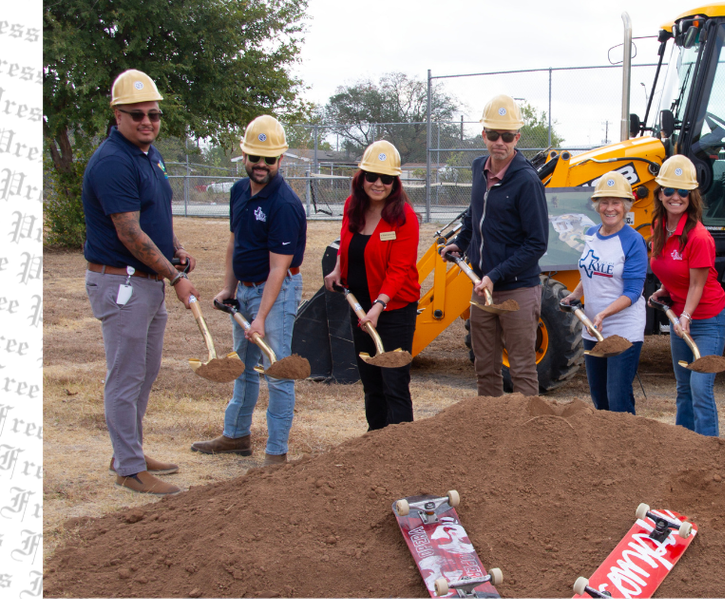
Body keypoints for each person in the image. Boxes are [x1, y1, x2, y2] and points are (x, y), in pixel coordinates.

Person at [82, 69, 199, 495]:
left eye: (153, 114)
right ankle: (129, 469)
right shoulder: (113, 161)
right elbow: (129, 232)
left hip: (146, 282)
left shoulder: (150, 155)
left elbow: (154, 216)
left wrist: (176, 248)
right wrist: (176, 278)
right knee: (125, 377)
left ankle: (128, 451)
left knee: (143, 374)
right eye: (137, 115)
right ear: (117, 115)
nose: (147, 121)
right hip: (123, 284)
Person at [192, 115, 307, 466]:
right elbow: (235, 242)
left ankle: (276, 455)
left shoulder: (284, 204)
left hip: (276, 292)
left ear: (280, 161)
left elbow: (278, 268)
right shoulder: (239, 191)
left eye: (268, 159)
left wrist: (259, 317)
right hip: (244, 290)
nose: (260, 165)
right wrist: (229, 289)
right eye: (254, 157)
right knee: (242, 366)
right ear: (243, 156)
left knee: (278, 370)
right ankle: (236, 436)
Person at [440, 94, 549, 397]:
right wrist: (460, 243)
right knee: (484, 367)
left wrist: (495, 274)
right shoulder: (478, 168)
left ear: (517, 137)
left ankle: (526, 439)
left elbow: (537, 243)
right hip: (481, 286)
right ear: (483, 133)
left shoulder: (527, 181)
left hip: (517, 289)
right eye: (492, 134)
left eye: (506, 136)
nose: (499, 142)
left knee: (522, 368)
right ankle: (489, 435)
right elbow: (475, 215)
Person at [324, 141, 420, 430]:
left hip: (394, 310)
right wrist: (338, 267)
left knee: (394, 382)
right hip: (360, 305)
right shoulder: (352, 207)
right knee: (371, 381)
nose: (378, 183)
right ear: (361, 176)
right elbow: (347, 242)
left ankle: (401, 448)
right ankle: (375, 441)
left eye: (386, 178)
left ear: (395, 182)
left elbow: (399, 269)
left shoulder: (404, 218)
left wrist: (380, 305)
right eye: (372, 176)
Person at [647, 155, 725, 436]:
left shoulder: (699, 237)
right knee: (683, 386)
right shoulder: (658, 227)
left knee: (699, 386)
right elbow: (669, 268)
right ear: (660, 194)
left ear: (691, 196)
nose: (675, 197)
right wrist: (664, 290)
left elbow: (697, 285)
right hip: (681, 315)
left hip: (706, 318)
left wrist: (686, 316)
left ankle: (709, 451)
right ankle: (683, 447)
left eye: (683, 191)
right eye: (669, 190)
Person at [561, 172, 647, 414]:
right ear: (597, 205)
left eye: (616, 202)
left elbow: (633, 292)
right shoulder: (591, 235)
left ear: (626, 206)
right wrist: (575, 296)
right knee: (599, 396)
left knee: (617, 397)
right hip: (593, 327)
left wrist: (603, 314)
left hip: (623, 329)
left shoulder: (633, 241)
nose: (610, 208)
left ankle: (627, 447)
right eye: (605, 202)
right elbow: (589, 272)